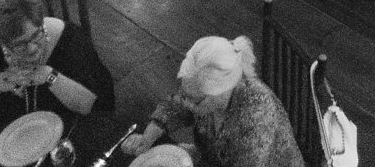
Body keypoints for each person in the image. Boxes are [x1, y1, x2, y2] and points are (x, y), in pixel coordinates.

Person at [119, 35, 303, 167]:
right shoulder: (202, 90)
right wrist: (148, 136)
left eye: (192, 101)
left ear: (220, 93)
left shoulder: (258, 117)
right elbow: (176, 106)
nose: (185, 103)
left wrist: (195, 157)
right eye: (184, 94)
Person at [0, 0, 114, 138]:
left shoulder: (72, 41)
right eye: (20, 45)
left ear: (42, 24)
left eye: (36, 35)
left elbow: (98, 107)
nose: (32, 48)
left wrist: (50, 76)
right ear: (4, 45)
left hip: (72, 134)